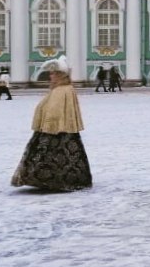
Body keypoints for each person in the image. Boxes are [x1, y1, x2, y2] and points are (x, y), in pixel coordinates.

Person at [11, 55, 92, 192]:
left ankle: (49, 179)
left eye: (53, 73)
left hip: (54, 130)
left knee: (52, 155)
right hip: (57, 129)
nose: (50, 76)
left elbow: (55, 112)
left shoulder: (62, 90)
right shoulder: (62, 89)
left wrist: (48, 125)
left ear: (60, 75)